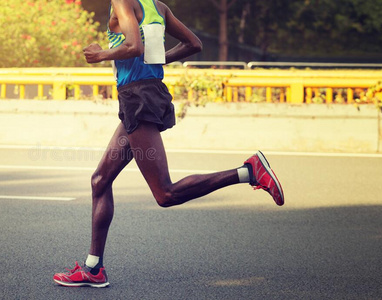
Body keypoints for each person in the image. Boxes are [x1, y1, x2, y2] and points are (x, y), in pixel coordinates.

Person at [53, 0, 284, 288]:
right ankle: (93, 268)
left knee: (165, 194)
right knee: (100, 180)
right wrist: (159, 58)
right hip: (143, 95)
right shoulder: (157, 7)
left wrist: (101, 55)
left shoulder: (122, 3)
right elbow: (193, 44)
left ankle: (248, 171)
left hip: (138, 98)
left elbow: (133, 46)